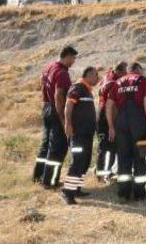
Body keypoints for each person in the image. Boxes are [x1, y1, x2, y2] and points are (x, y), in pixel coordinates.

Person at [106, 62, 146, 201]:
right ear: (138, 70)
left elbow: (109, 105)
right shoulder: (143, 80)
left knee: (123, 157)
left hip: (121, 122)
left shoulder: (118, 82)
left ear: (128, 71)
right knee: (139, 157)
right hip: (138, 122)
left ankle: (123, 193)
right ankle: (140, 194)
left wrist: (111, 126)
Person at [33, 46, 78, 188]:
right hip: (55, 109)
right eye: (73, 58)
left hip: (46, 107)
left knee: (45, 145)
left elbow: (43, 87)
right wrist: (62, 117)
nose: (73, 62)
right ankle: (50, 181)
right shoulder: (62, 72)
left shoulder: (49, 67)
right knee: (57, 147)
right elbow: (59, 95)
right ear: (68, 56)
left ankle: (38, 176)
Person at [61, 66, 99, 205]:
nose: (97, 78)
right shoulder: (77, 88)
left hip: (87, 133)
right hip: (78, 133)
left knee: (85, 161)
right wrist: (68, 124)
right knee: (77, 162)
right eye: (96, 75)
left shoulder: (87, 90)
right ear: (88, 75)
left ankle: (76, 188)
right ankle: (67, 192)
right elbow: (68, 106)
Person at [95, 62, 127, 182]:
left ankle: (101, 172)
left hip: (100, 111)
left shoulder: (108, 75)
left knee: (104, 145)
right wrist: (111, 125)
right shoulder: (114, 84)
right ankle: (104, 174)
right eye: (126, 71)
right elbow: (111, 106)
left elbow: (99, 92)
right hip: (106, 116)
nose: (127, 74)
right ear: (121, 71)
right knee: (108, 147)